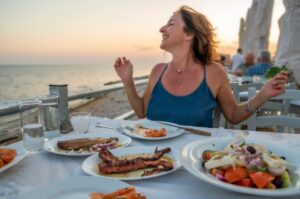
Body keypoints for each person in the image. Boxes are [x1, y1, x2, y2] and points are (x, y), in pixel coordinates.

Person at [114, 6, 288, 128]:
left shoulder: (213, 72)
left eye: (170, 24)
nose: (161, 29)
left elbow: (234, 115)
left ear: (189, 34)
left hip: (193, 163)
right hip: (153, 159)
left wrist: (263, 94)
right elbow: (142, 112)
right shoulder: (158, 70)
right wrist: (128, 81)